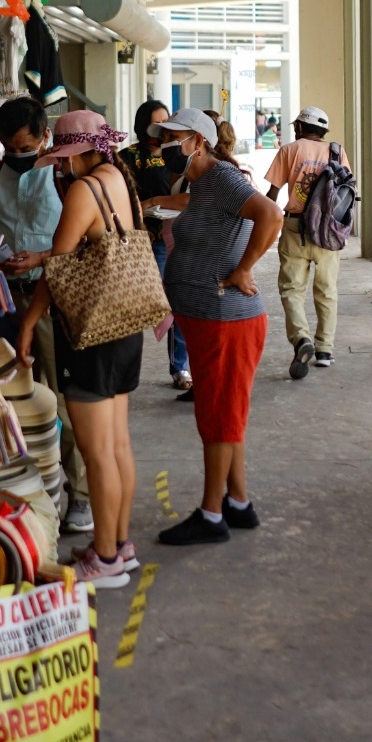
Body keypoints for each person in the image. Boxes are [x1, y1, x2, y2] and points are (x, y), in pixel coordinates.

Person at [18, 111, 144, 588]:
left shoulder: (82, 190)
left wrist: (29, 323)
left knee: (96, 455)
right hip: (124, 326)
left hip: (92, 333)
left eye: (64, 159)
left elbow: (59, 265)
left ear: (79, 153)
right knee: (117, 446)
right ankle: (117, 545)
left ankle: (106, 558)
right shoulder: (118, 179)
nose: (60, 168)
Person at [153, 109, 283, 546]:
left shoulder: (224, 178)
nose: (165, 145)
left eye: (173, 137)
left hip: (226, 318)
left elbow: (271, 215)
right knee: (226, 414)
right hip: (207, 318)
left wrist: (246, 268)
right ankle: (238, 502)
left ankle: (211, 514)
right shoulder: (200, 184)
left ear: (198, 141)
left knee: (218, 419)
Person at [0, 96, 92, 534]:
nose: (18, 155)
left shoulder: (65, 176)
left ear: (44, 137)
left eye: (25, 145)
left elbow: (90, 240)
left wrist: (40, 259)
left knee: (64, 403)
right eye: (10, 147)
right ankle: (32, 496)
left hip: (54, 300)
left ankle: (82, 496)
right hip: (5, 302)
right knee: (15, 404)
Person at [265, 105, 352, 378]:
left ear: (300, 128)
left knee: (292, 289)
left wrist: (260, 222)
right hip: (327, 230)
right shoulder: (336, 152)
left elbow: (272, 192)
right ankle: (325, 350)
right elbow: (348, 192)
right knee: (327, 290)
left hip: (295, 227)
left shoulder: (289, 150)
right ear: (323, 131)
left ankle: (301, 339)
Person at [121, 100, 192, 390]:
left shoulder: (177, 156)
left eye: (167, 122)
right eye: (156, 123)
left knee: (176, 300)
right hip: (142, 237)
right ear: (143, 126)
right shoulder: (128, 157)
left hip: (174, 235)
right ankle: (125, 367)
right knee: (138, 302)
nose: (162, 129)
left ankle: (180, 367)